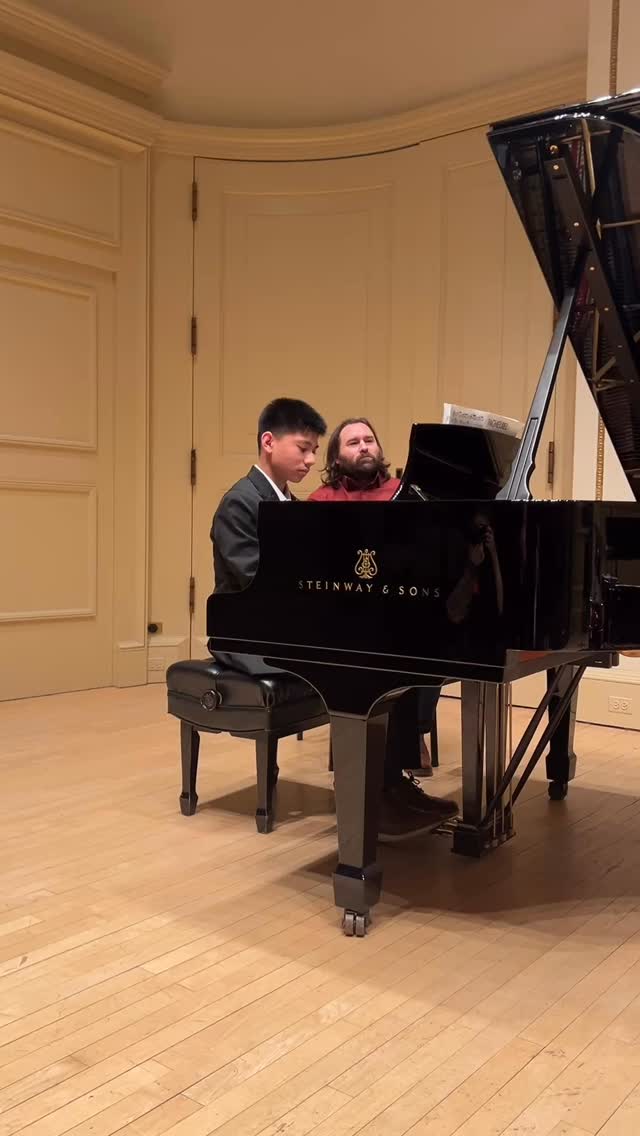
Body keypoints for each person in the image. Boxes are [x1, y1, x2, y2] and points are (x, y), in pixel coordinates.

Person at [210, 398, 457, 841]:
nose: (310, 460)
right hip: (248, 635)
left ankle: (392, 786)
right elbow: (256, 583)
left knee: (391, 656)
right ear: (269, 443)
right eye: (303, 449)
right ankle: (368, 801)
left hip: (282, 625)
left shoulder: (285, 500)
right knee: (362, 666)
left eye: (313, 451)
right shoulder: (241, 502)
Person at [309, 416, 442, 779]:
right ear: (336, 458)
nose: (364, 446)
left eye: (370, 439)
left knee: (430, 641)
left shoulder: (405, 494)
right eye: (353, 442)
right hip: (344, 615)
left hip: (399, 608)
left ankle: (414, 733)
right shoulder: (320, 502)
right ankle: (358, 753)